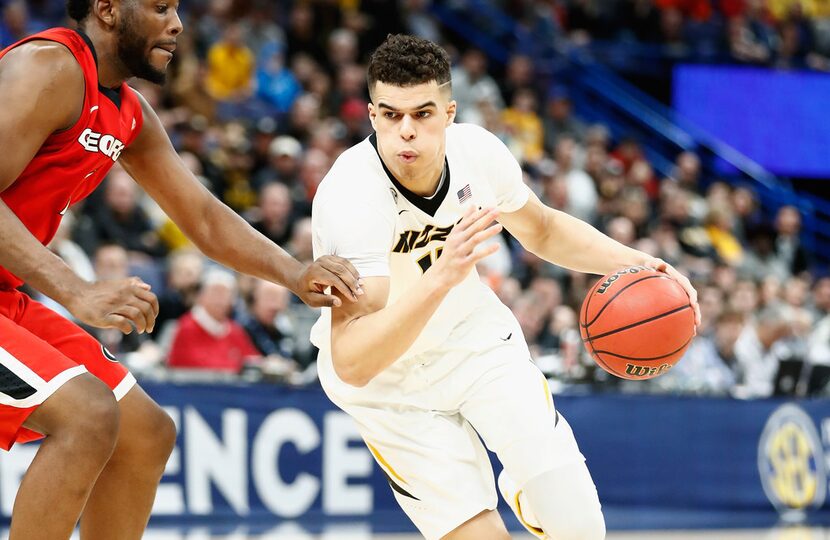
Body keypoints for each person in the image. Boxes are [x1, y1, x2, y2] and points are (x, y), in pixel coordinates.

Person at [311, 34, 700, 540]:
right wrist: (443, 277)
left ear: (450, 112)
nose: (405, 131)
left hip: (473, 343)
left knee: (580, 528)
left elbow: (541, 228)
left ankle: (527, 488)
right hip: (388, 385)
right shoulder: (351, 195)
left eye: (423, 113)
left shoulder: (478, 152)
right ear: (371, 115)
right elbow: (354, 360)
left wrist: (642, 263)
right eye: (391, 115)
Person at [0, 2, 361, 539]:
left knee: (145, 433)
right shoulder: (48, 68)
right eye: (160, 6)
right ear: (106, 9)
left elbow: (205, 218)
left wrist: (292, 273)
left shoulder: (129, 112)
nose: (177, 23)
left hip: (7, 294)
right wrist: (76, 290)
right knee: (86, 414)